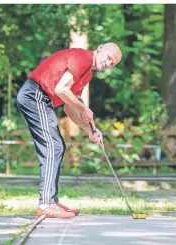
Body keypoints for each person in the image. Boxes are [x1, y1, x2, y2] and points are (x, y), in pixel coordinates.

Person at [17, 43, 122, 219]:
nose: (108, 64)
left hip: (43, 100)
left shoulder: (87, 74)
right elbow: (61, 90)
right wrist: (83, 106)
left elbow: (69, 107)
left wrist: (89, 130)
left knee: (58, 146)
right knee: (53, 146)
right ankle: (45, 204)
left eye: (112, 64)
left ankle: (51, 200)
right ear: (100, 48)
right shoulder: (82, 58)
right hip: (35, 95)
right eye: (109, 58)